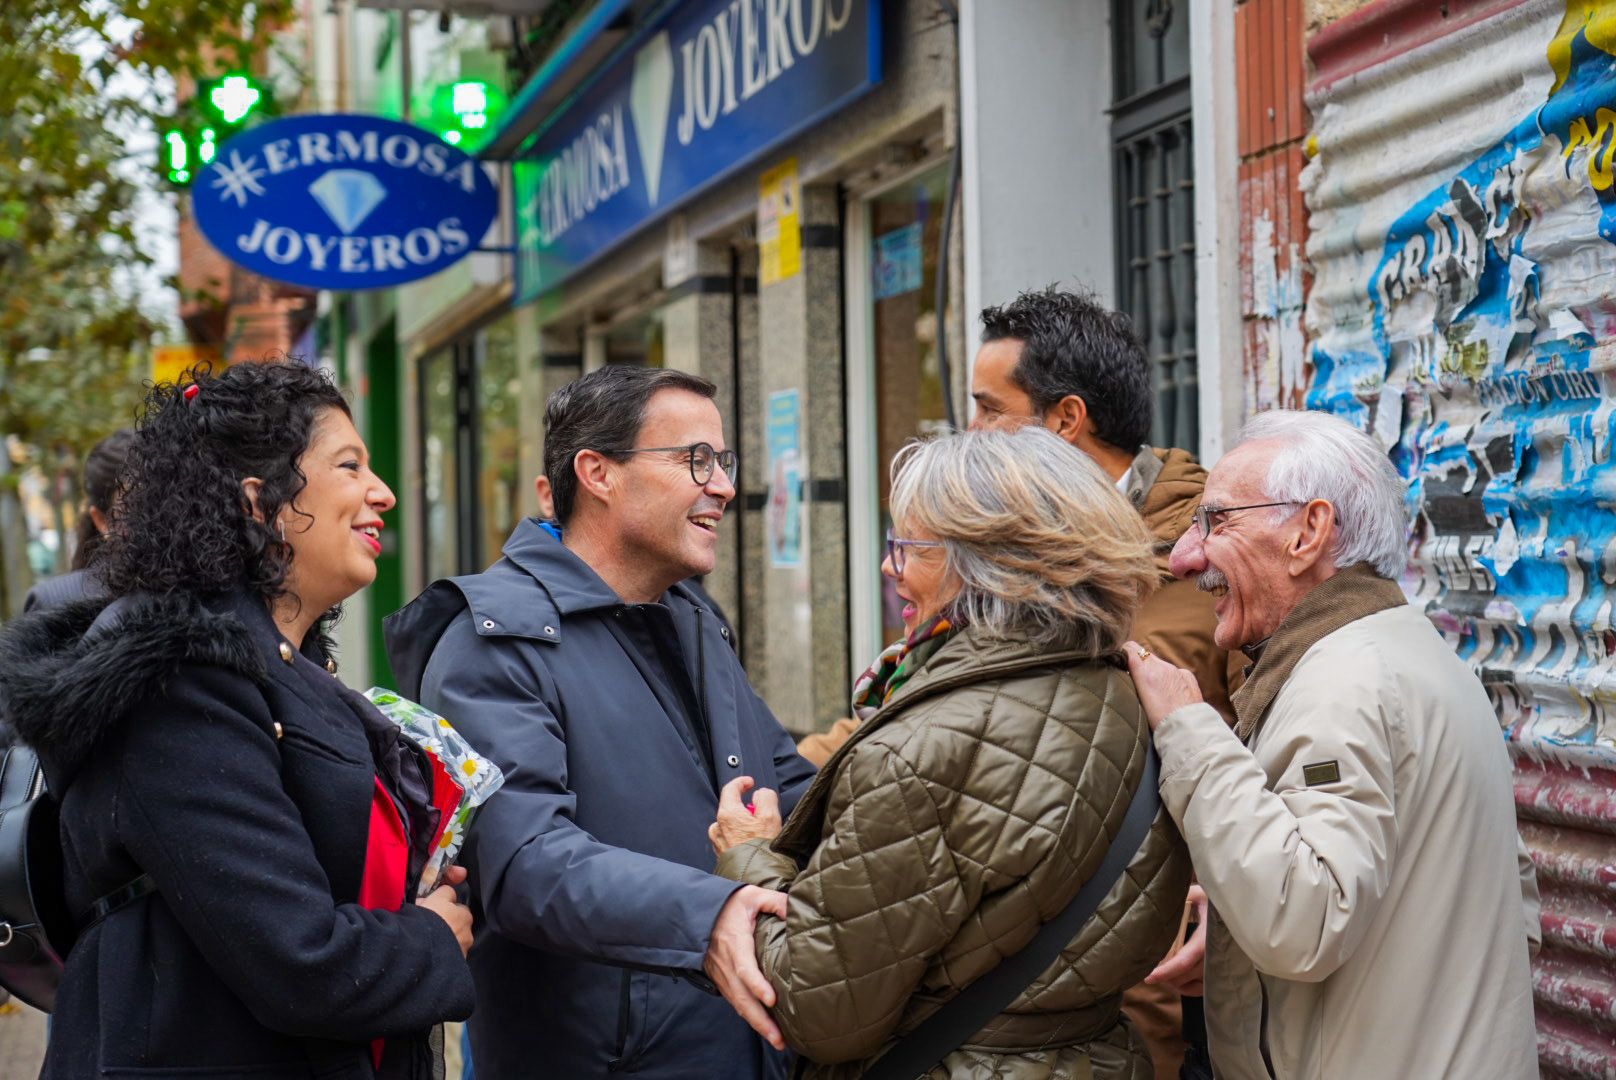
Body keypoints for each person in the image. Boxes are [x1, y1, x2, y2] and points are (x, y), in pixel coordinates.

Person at [0, 362, 476, 1080]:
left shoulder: (273, 664)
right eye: (350, 466)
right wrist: (433, 937)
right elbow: (295, 958)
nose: (385, 494)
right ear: (262, 503)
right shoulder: (179, 681)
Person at [709, 427, 1190, 1079]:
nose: (888, 567)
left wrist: (749, 857)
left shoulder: (921, 750)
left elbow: (819, 1011)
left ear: (982, 561)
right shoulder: (1146, 702)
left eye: (905, 547)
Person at [385, 365, 817, 1079]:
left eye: (725, 461)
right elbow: (528, 866)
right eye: (695, 460)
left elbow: (791, 789)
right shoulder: (494, 639)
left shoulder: (692, 618)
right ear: (598, 473)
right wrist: (711, 913)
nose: (724, 487)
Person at [1123, 410, 1540, 1079]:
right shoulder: (1408, 650)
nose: (1184, 557)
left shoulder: (1345, 682)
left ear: (1307, 533)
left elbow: (1301, 924)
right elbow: (1436, 889)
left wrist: (1188, 728)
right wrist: (1236, 936)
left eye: (1216, 521)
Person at [23, 428, 133, 612]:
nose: (154, 517)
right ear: (101, 521)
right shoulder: (55, 603)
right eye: (135, 506)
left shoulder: (192, 595)